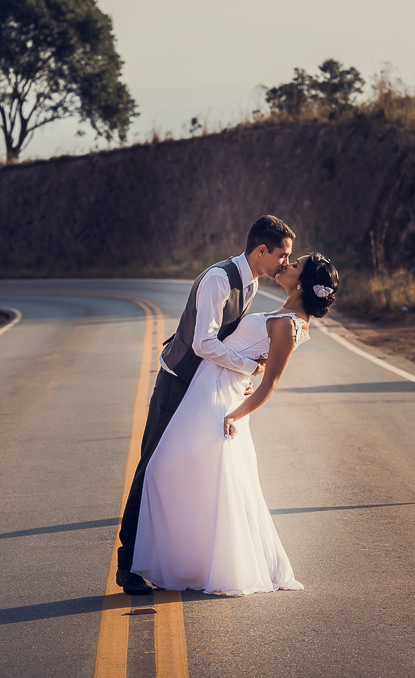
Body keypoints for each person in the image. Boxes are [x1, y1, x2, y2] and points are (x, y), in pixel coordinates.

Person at [132, 252, 340, 595]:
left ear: (303, 282)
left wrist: (235, 413)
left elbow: (270, 384)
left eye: (296, 264)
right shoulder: (280, 310)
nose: (288, 264)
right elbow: (250, 356)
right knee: (188, 478)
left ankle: (200, 566)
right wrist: (248, 365)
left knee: (165, 470)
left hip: (219, 400)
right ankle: (190, 562)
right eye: (289, 259)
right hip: (208, 387)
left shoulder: (290, 324)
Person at [115, 215, 296, 595]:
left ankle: (175, 557)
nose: (285, 262)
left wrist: (241, 377)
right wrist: (248, 365)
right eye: (284, 254)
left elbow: (227, 342)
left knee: (187, 471)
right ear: (262, 250)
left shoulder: (250, 284)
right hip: (178, 383)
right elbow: (204, 344)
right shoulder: (219, 280)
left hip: (204, 389)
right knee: (152, 466)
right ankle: (127, 563)